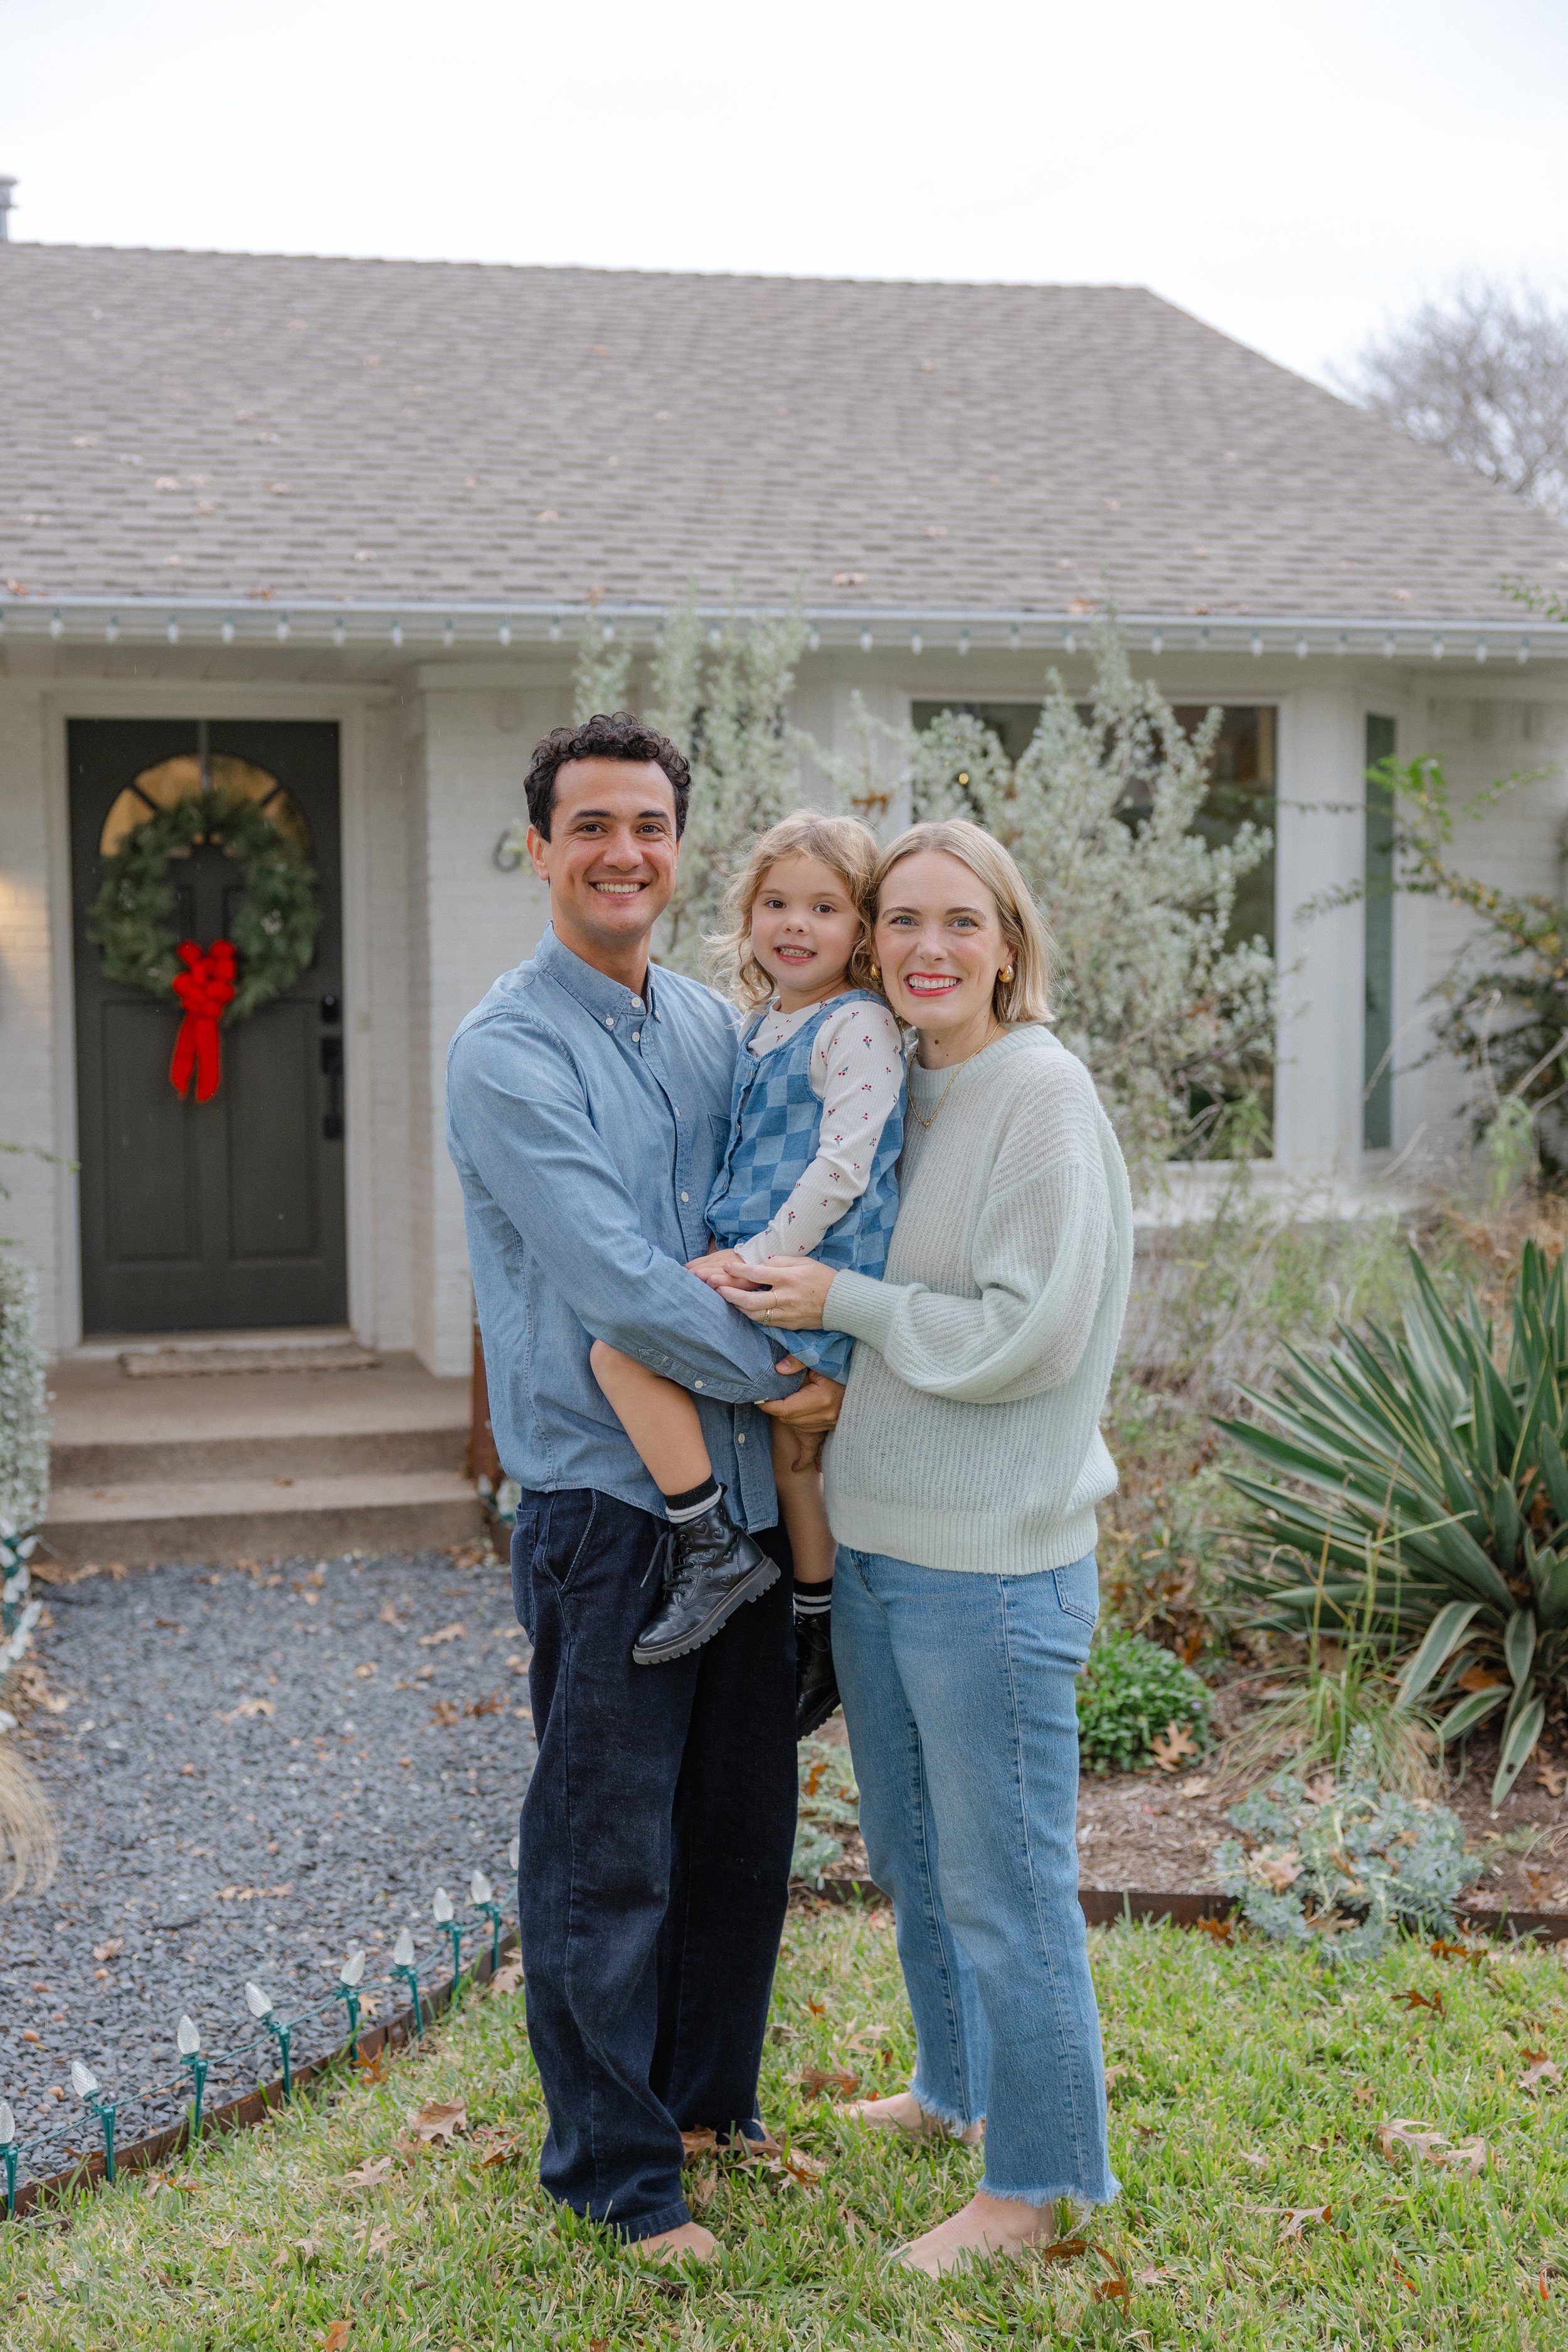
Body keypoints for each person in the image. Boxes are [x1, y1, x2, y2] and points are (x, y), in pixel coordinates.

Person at [445, 712, 842, 2263]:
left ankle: (703, 2107)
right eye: (592, 825)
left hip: (738, 1495)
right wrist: (789, 1378)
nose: (624, 852)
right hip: (613, 1516)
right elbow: (614, 1278)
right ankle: (615, 2173)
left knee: (743, 1826)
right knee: (607, 1851)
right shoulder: (506, 1050)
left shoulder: (705, 1022)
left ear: (680, 848)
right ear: (540, 847)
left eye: (651, 826)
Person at [717, 818, 1133, 2277]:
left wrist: (852, 1305)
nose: (924, 948)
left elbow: (1029, 1331)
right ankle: (958, 2089)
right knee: (912, 1847)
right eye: (899, 920)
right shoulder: (907, 1086)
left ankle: (1034, 2185)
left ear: (1007, 944)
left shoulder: (1036, 1091)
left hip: (993, 1565)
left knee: (1006, 1882)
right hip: (883, 1544)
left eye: (958, 922)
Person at [588, 810, 904, 1737]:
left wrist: (758, 1258)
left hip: (802, 1267)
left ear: (863, 929)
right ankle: (818, 1624)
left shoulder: (857, 1026)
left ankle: (707, 1537)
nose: (794, 924)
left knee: (621, 1348)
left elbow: (845, 1166)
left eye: (824, 907)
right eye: (775, 902)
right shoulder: (765, 1022)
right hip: (775, 1262)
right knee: (793, 1455)